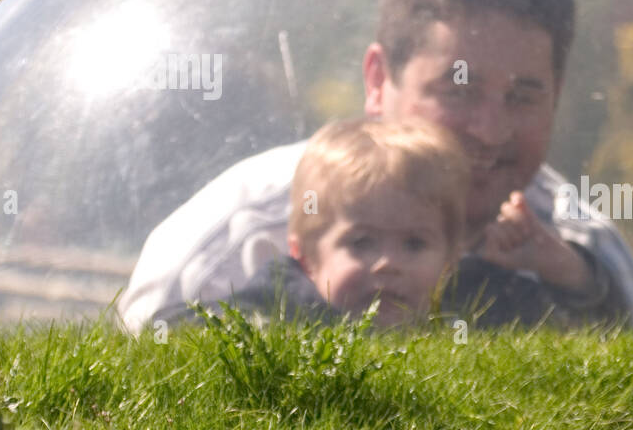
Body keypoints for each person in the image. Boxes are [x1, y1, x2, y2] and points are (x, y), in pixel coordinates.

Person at [117, 0, 633, 335]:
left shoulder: (579, 245)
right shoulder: (234, 241)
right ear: (377, 80)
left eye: (523, 95)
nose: (489, 131)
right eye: (458, 88)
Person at [153, 118, 564, 329]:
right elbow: (188, 327)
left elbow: (557, 326)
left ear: (452, 258)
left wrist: (566, 270)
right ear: (306, 256)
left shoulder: (464, 305)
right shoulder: (286, 305)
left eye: (415, 245)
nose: (388, 263)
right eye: (361, 243)